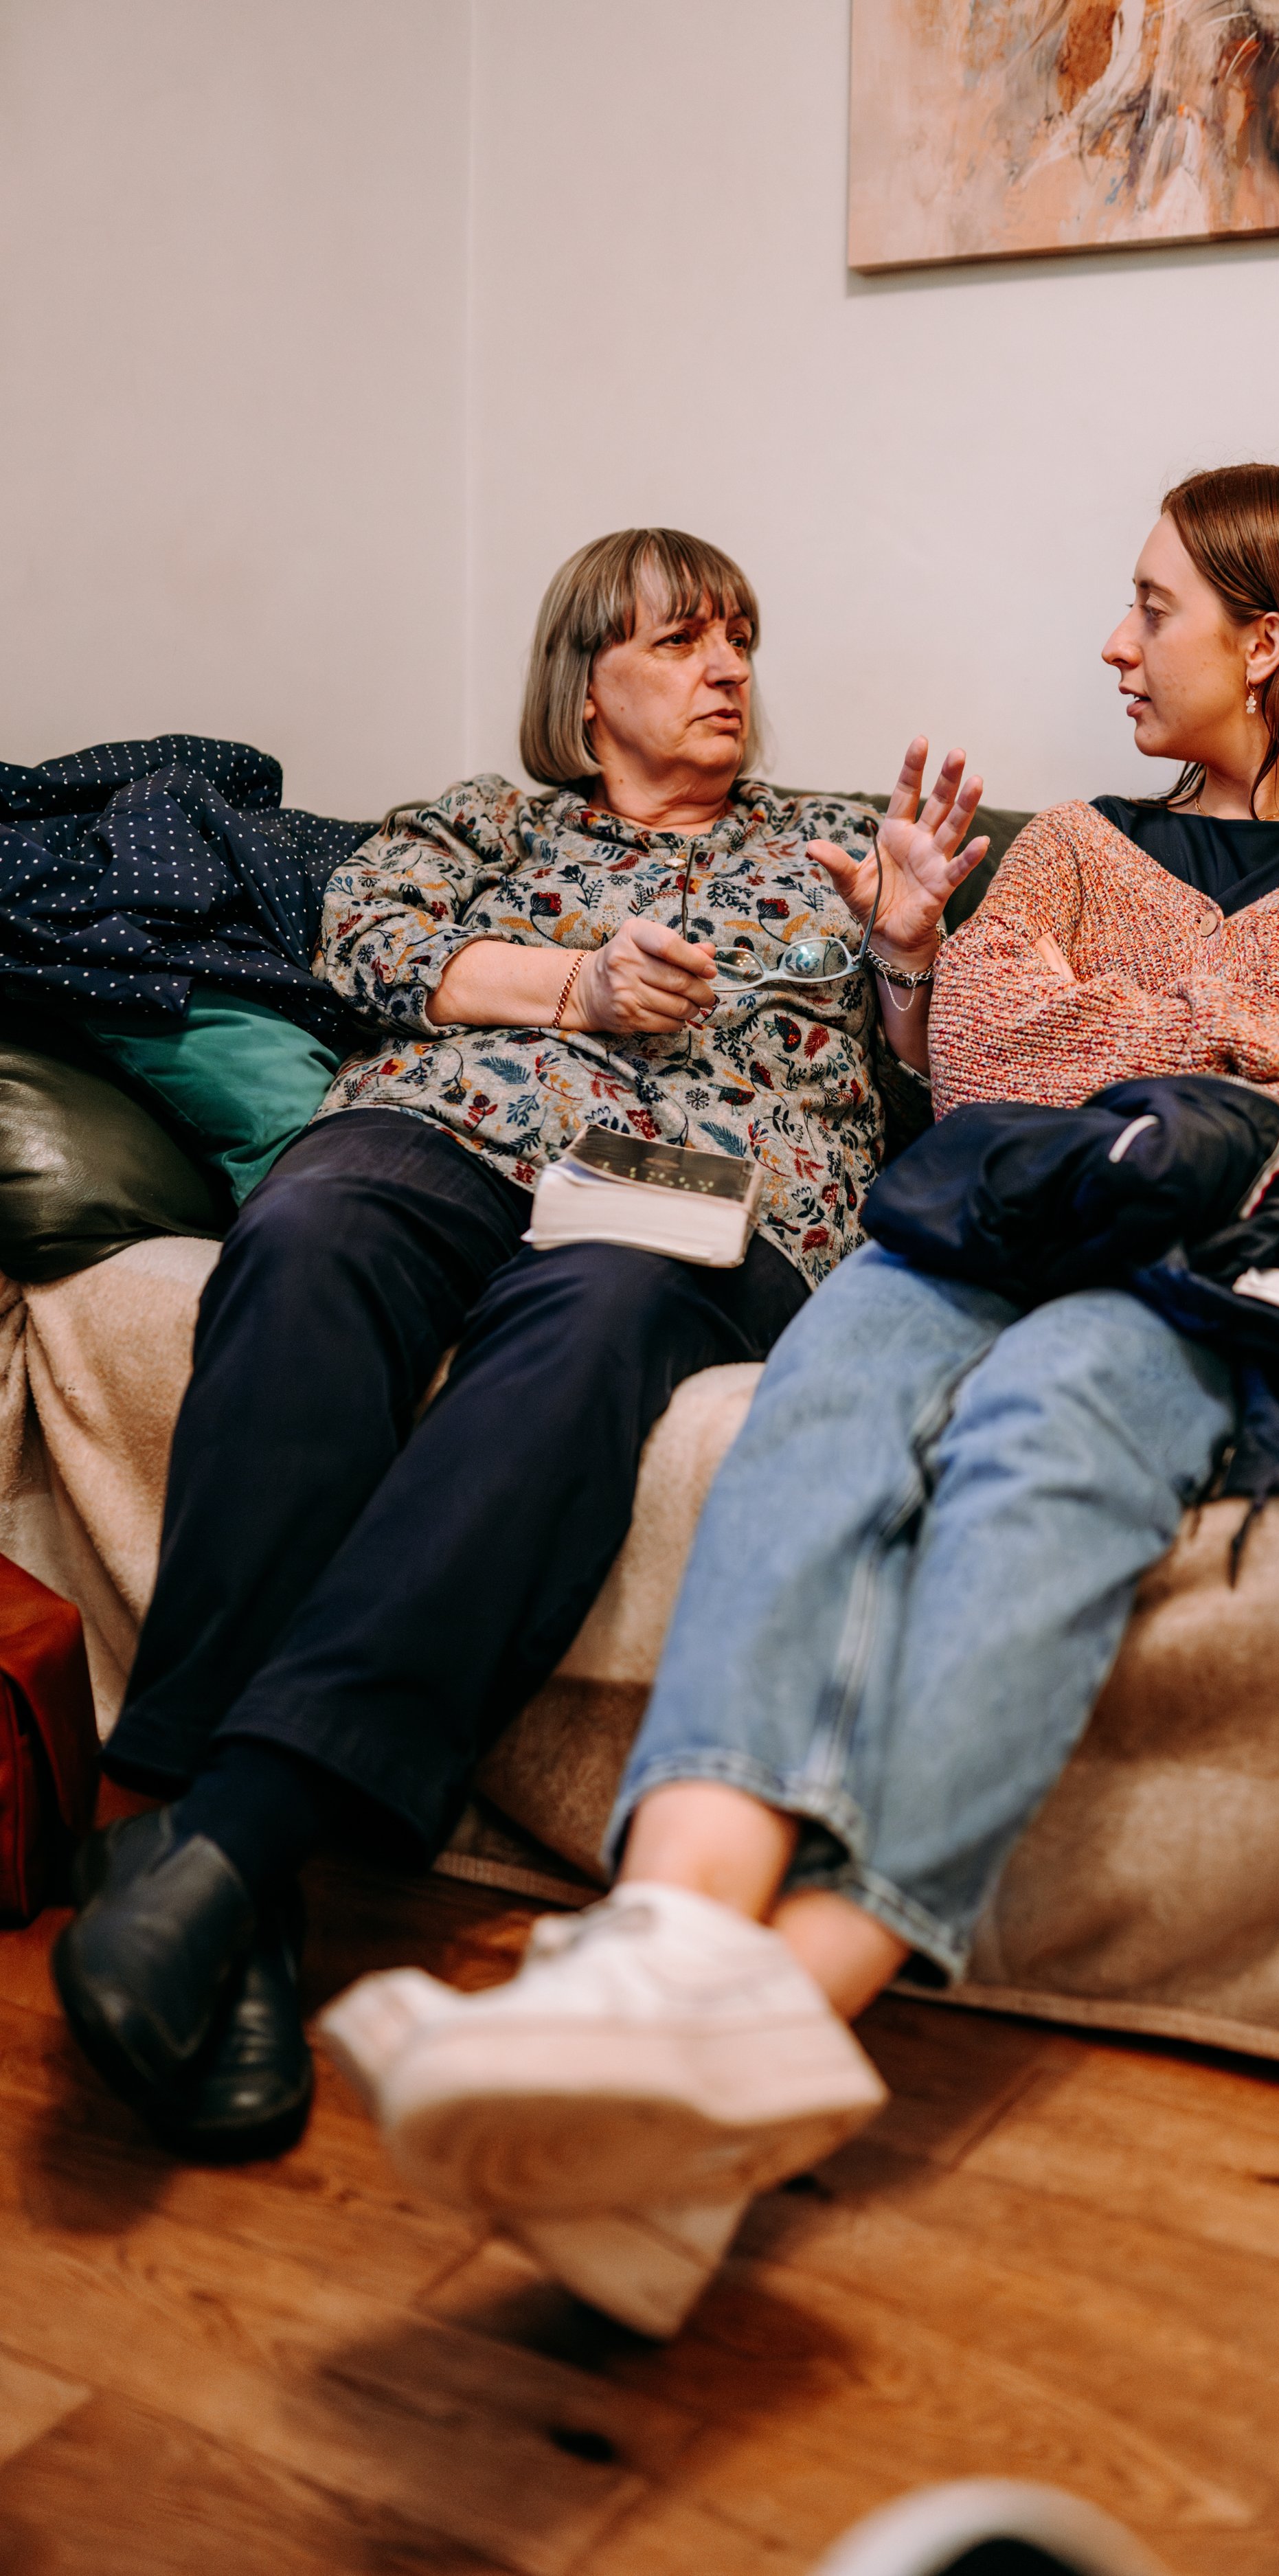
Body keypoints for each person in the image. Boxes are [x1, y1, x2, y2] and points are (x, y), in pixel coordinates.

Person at [323, 463, 1279, 2337]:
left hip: (1201, 1280)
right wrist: (1251, 1050)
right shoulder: (1072, 847)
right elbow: (975, 1065)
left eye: (1151, 609)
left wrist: (1149, 1054)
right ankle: (663, 1948)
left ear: (1264, 642)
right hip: (986, 1223)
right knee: (822, 1396)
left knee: (1044, 1431)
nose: (1111, 644)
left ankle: (770, 2019)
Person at [52, 526, 991, 2160]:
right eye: (679, 640)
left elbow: (935, 1091)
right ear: (584, 684)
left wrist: (907, 956)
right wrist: (579, 984)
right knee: (309, 1234)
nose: (725, 667)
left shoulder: (841, 846)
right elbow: (367, 953)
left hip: (701, 1190)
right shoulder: (478, 823)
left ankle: (224, 1846)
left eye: (738, 637)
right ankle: (230, 1891)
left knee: (595, 1315)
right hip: (452, 1127)